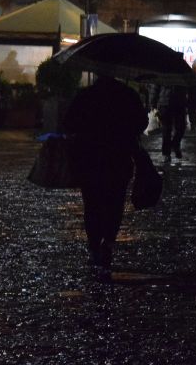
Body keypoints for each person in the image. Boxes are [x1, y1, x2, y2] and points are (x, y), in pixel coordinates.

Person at [63, 76, 147, 281]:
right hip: (118, 157)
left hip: (89, 157)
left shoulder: (86, 95)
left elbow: (68, 122)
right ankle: (108, 242)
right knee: (115, 203)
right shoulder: (127, 95)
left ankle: (94, 246)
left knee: (92, 203)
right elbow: (142, 123)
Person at [157, 82, 189, 162]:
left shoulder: (182, 72)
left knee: (181, 127)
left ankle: (175, 144)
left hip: (180, 103)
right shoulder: (163, 72)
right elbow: (156, 86)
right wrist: (153, 103)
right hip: (165, 103)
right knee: (167, 129)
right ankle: (166, 153)